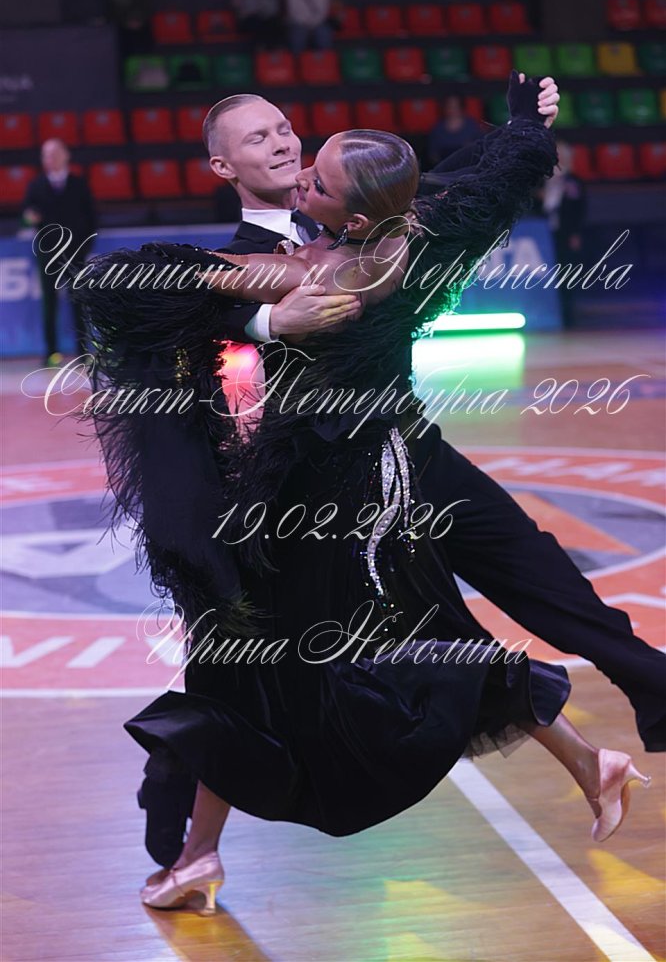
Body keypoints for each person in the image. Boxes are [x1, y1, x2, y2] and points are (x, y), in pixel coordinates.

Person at [75, 75, 655, 913]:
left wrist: (265, 310)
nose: (287, 144)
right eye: (263, 137)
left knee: (339, 646)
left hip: (365, 481)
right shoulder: (386, 233)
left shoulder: (323, 258)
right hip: (320, 485)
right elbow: (478, 183)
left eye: (289, 131)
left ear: (347, 209)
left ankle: (197, 851)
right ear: (221, 166)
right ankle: (588, 759)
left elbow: (131, 282)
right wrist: (525, 126)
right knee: (308, 648)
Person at [23, 139, 97, 366]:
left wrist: (84, 247)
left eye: (55, 153)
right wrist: (29, 218)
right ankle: (51, 352)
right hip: (48, 254)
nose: (50, 159)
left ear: (66, 155)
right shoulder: (36, 185)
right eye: (46, 154)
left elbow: (92, 218)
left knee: (79, 300)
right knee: (49, 302)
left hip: (75, 252)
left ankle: (82, 351)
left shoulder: (79, 184)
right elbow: (26, 216)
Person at [542, 139, 587, 329]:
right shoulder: (542, 179)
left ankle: (567, 315)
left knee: (566, 274)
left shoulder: (573, 182)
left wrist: (575, 233)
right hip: (542, 234)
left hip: (564, 234)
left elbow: (579, 210)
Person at [427, 95, 483, 167]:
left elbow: (480, 150)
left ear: (461, 107)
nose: (452, 110)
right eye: (449, 106)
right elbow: (433, 154)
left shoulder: (472, 126)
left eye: (456, 106)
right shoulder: (438, 129)